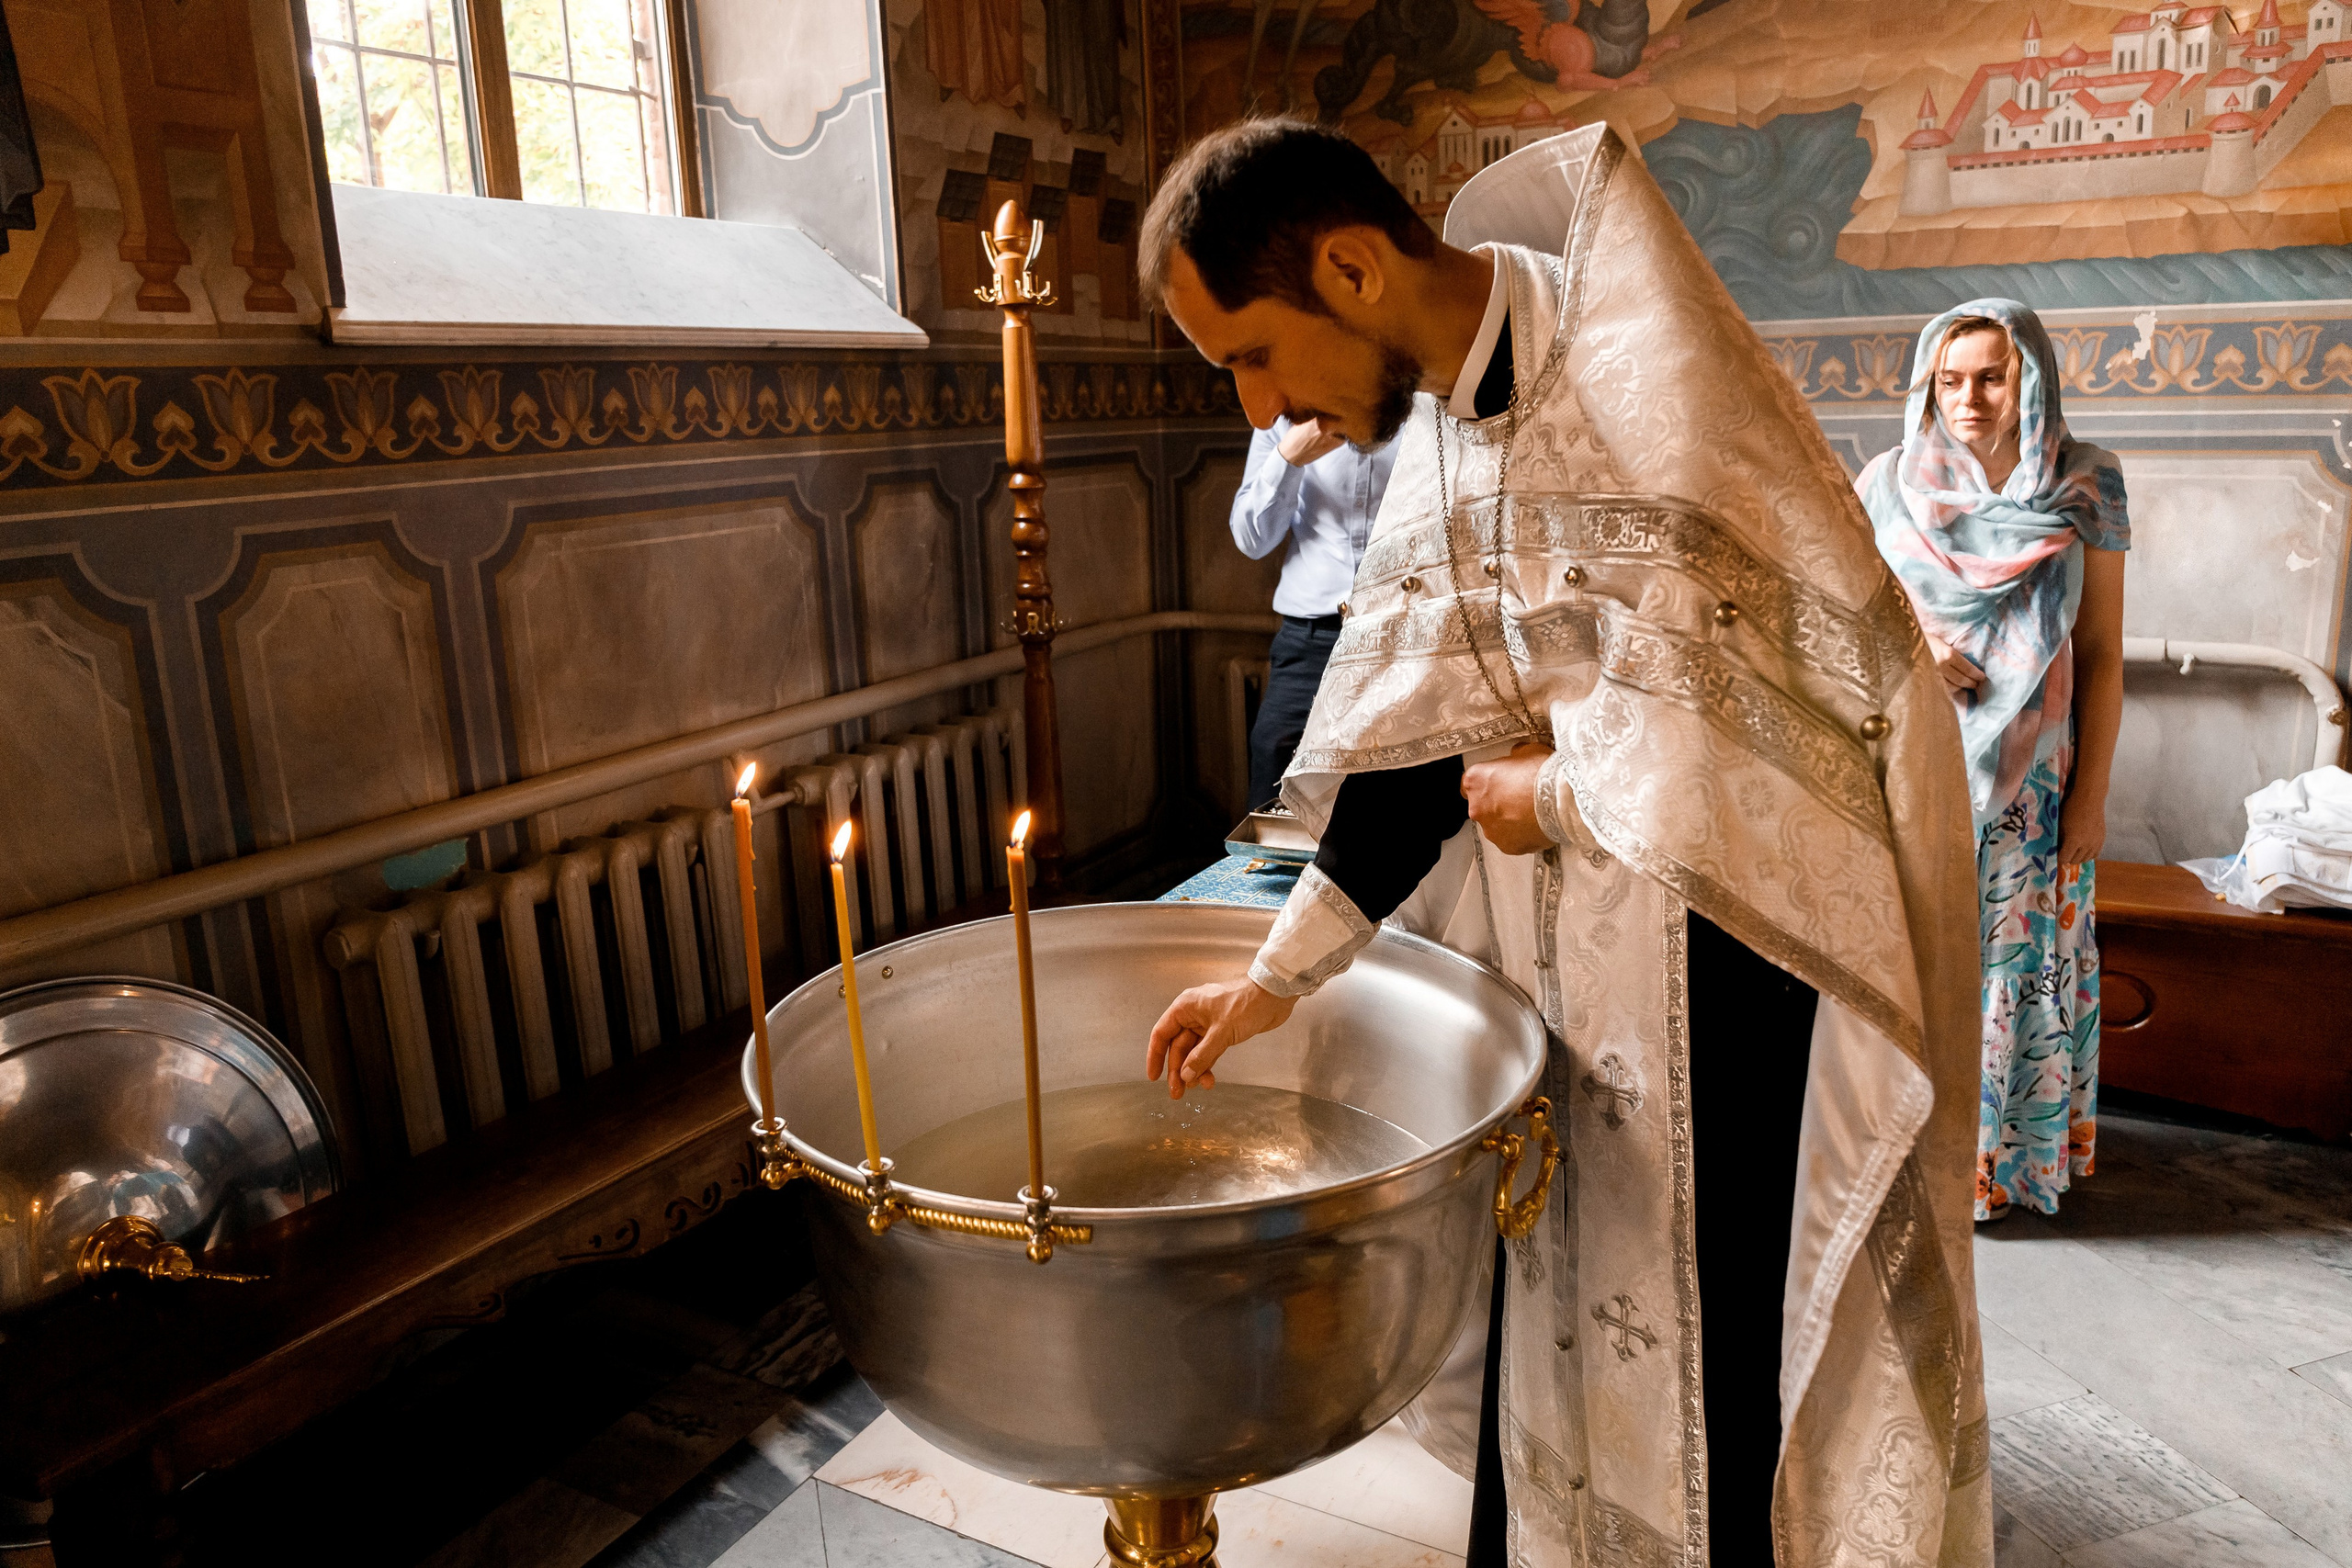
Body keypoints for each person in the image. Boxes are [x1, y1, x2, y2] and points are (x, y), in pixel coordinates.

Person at [1136, 118, 1992, 1566]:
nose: (1264, 405)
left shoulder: (1654, 381)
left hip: (1727, 973)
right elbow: (1418, 747)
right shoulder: (1446, 439)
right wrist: (1273, 981)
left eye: (1252, 354)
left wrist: (1558, 796)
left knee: (1702, 1346)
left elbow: (1792, 727)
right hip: (1563, 982)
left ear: (1350, 267)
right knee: (1554, 1306)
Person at [1859, 302, 2129, 1224]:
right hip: (1908, 767)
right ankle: (1894, 1163)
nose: (1967, 398)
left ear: (2031, 382)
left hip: (2036, 785)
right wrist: (1915, 651)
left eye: (1990, 376)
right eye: (1949, 378)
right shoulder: (1887, 482)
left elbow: (2099, 654)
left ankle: (1997, 1170)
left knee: (2020, 972)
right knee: (1913, 961)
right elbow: (1841, 623)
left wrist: (2089, 800)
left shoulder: (2086, 483)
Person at [1230, 414, 1398, 808]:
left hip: (1403, 630)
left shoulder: (1426, 406)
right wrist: (1289, 456)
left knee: (1393, 788)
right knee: (1272, 764)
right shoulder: (1287, 412)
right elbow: (1251, 539)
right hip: (1310, 640)